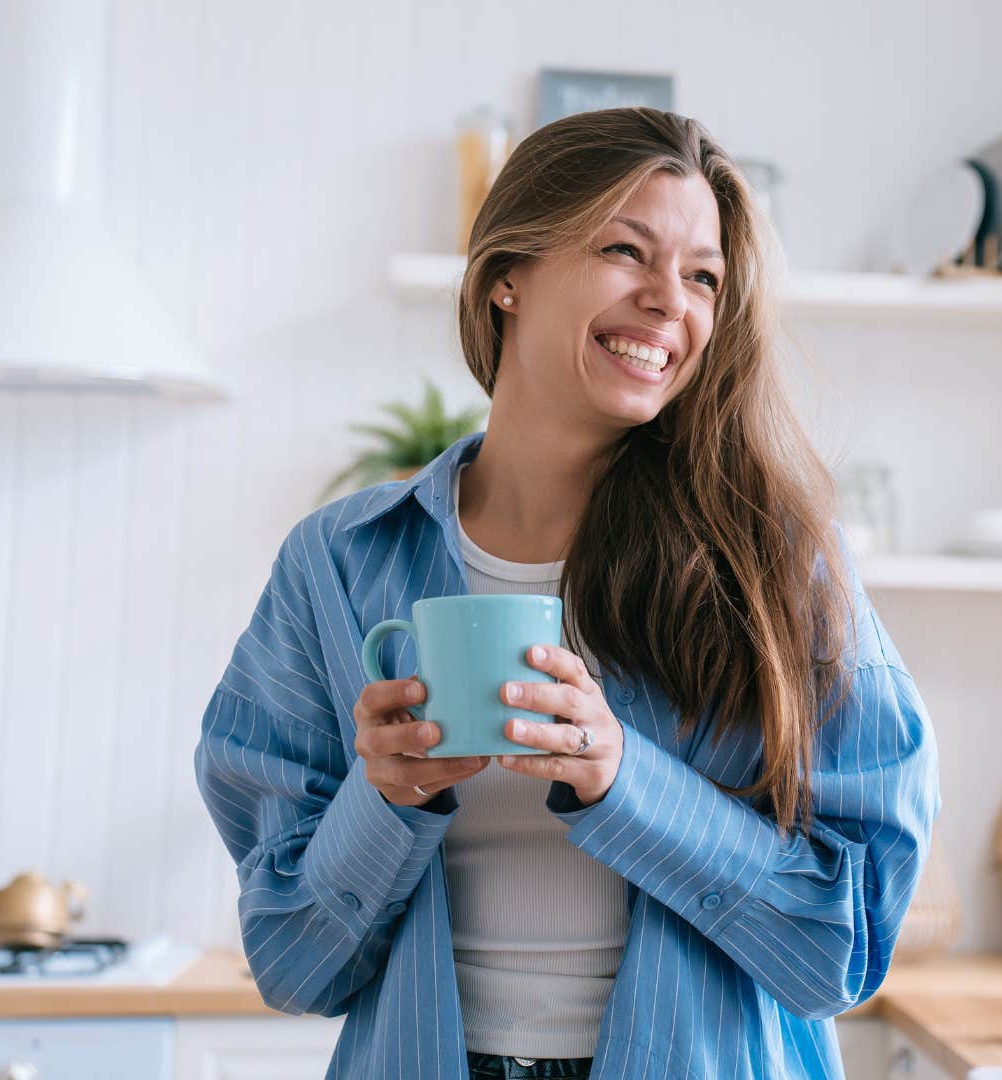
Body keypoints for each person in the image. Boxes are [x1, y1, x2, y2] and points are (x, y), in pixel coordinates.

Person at [194, 106, 940, 1080]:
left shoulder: (780, 567)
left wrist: (621, 780)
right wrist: (387, 803)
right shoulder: (339, 564)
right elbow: (294, 964)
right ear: (508, 273)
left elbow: (844, 948)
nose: (671, 300)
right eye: (626, 251)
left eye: (704, 276)